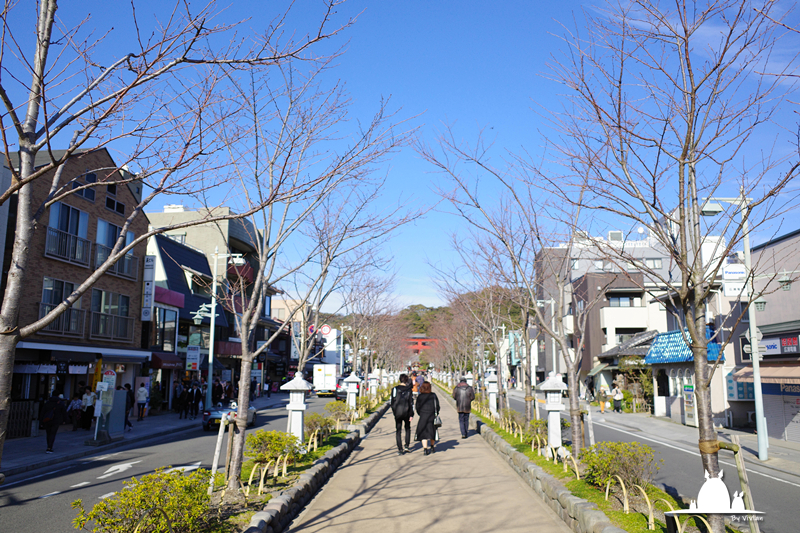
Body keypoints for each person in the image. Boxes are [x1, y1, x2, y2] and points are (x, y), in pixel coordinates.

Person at [391, 374, 414, 455]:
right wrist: (411, 414)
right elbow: (411, 403)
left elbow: (392, 402)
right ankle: (407, 446)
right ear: (407, 380)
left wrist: (394, 411)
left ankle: (400, 448)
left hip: (398, 412)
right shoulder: (409, 390)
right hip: (407, 412)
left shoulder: (394, 389)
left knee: (398, 430)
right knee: (407, 428)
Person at [415, 381, 440, 456]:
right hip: (431, 415)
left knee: (423, 433)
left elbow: (417, 407)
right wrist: (436, 413)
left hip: (423, 415)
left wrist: (420, 413)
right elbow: (437, 406)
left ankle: (425, 449)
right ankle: (432, 447)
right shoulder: (433, 395)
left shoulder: (420, 396)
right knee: (432, 431)